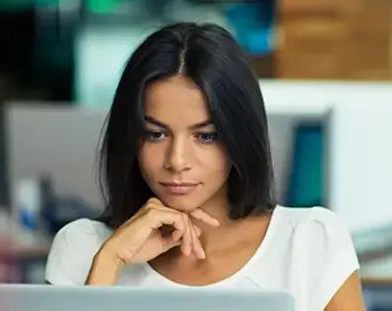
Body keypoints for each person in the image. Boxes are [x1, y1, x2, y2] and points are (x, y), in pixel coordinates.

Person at [45, 22, 365, 310]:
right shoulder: (82, 247)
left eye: (206, 136)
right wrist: (110, 262)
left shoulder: (310, 241)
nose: (177, 161)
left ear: (240, 135)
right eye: (155, 134)